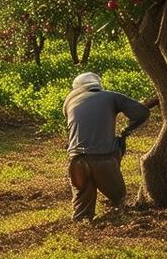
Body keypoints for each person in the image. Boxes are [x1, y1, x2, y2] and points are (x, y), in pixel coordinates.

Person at [63, 71, 151, 222]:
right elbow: (142, 113)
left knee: (82, 202)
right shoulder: (111, 96)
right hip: (102, 159)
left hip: (75, 160)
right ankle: (115, 223)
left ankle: (81, 230)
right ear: (97, 85)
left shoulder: (69, 102)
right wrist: (125, 132)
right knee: (119, 198)